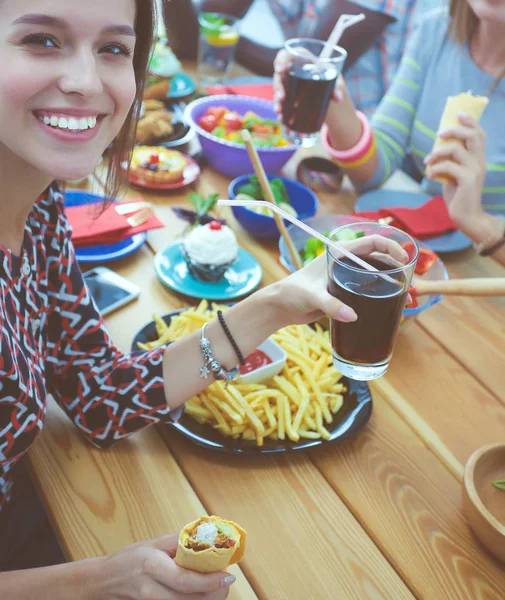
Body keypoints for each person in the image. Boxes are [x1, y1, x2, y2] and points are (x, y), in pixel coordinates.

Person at [0, 0, 408, 596]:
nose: (86, 82)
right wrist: (95, 581)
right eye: (41, 39)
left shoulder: (34, 205)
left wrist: (279, 304)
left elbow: (98, 395)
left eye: (114, 48)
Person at [274, 0, 505, 266]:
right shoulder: (437, 29)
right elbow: (376, 167)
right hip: (419, 253)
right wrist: (333, 101)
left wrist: (479, 222)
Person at [163, 0, 441, 115]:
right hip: (294, 112)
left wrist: (220, 38)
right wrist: (215, 35)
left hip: (360, 139)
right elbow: (193, 40)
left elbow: (311, 69)